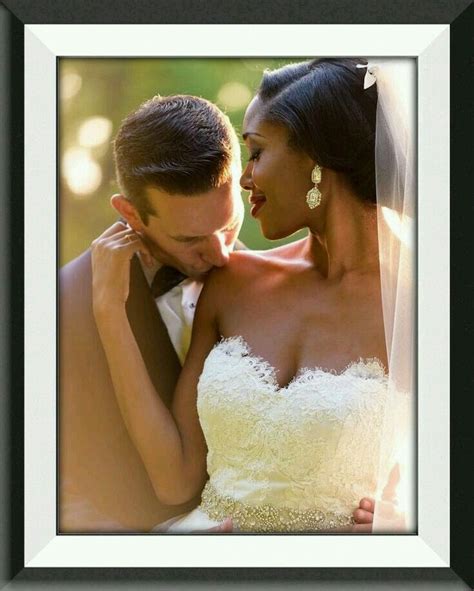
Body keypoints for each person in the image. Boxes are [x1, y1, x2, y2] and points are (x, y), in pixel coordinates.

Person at [91, 58, 413, 533]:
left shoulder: (426, 304)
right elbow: (175, 480)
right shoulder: (233, 281)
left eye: (257, 153)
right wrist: (108, 312)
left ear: (315, 161)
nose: (243, 179)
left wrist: (412, 529)